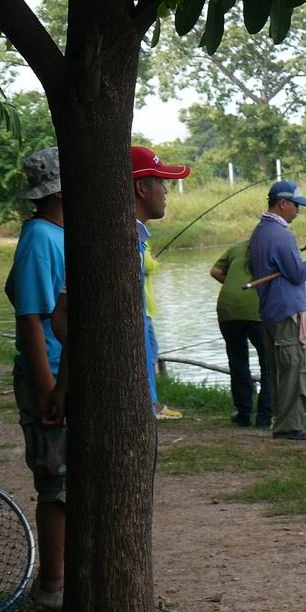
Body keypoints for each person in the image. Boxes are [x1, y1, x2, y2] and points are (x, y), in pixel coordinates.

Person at [5, 147, 66, 612]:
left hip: (67, 377)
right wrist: (48, 390)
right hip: (49, 379)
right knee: (56, 480)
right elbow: (31, 318)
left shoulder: (60, 234)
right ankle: (52, 585)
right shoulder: (41, 238)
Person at [249, 180, 306, 441]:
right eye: (296, 206)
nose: (297, 212)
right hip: (288, 311)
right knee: (299, 370)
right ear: (282, 203)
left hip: (270, 311)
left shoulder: (259, 232)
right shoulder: (281, 235)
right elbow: (297, 273)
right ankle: (289, 427)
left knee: (283, 371)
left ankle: (285, 423)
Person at [131, 146, 191, 421]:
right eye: (161, 182)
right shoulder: (126, 240)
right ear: (141, 188)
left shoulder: (139, 237)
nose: (166, 191)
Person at [210, 240, 272, 428]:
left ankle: (244, 414)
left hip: (227, 308)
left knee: (238, 362)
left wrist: (231, 283)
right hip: (255, 310)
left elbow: (216, 271)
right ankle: (264, 417)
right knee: (269, 363)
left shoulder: (236, 247)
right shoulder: (270, 246)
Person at [143, 240, 181, 419]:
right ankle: (150, 404)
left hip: (147, 309)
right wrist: (156, 262)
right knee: (148, 356)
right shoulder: (138, 237)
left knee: (152, 355)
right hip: (143, 310)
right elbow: (147, 265)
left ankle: (152, 401)